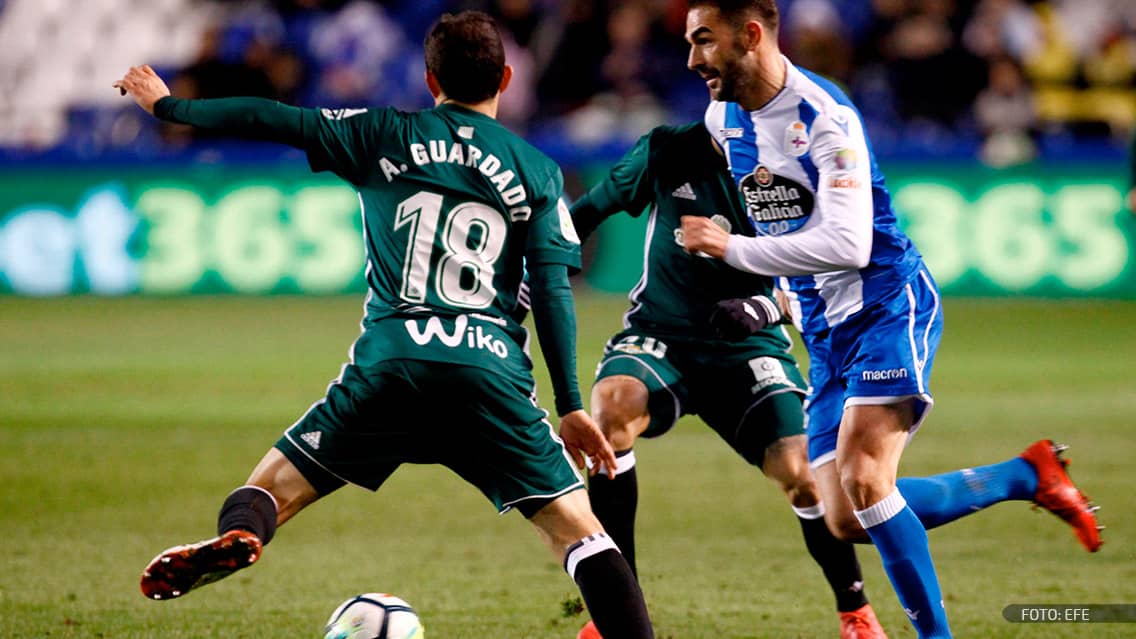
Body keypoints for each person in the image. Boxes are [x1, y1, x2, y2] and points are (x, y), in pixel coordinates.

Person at [116, 12, 655, 639]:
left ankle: (241, 534)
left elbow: (272, 119)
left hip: (392, 362)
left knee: (271, 487)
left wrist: (170, 107)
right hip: (489, 373)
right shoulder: (537, 170)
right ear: (506, 77)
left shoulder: (382, 133)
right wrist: (567, 403)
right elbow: (556, 291)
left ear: (430, 80)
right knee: (580, 533)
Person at [677, 2, 1103, 638]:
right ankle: (1025, 474)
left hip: (885, 305)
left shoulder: (825, 116)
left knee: (867, 479)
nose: (691, 60)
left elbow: (848, 247)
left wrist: (730, 248)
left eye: (704, 41)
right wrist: (775, 295)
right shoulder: (722, 118)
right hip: (823, 330)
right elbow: (781, 220)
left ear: (752, 35)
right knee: (845, 516)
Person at [568, 121, 887, 639]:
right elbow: (588, 211)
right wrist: (529, 263)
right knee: (612, 407)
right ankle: (614, 612)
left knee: (801, 470)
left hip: (747, 345)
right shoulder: (668, 150)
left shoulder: (792, 173)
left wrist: (769, 306)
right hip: (660, 334)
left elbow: (837, 277)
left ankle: (855, 610)